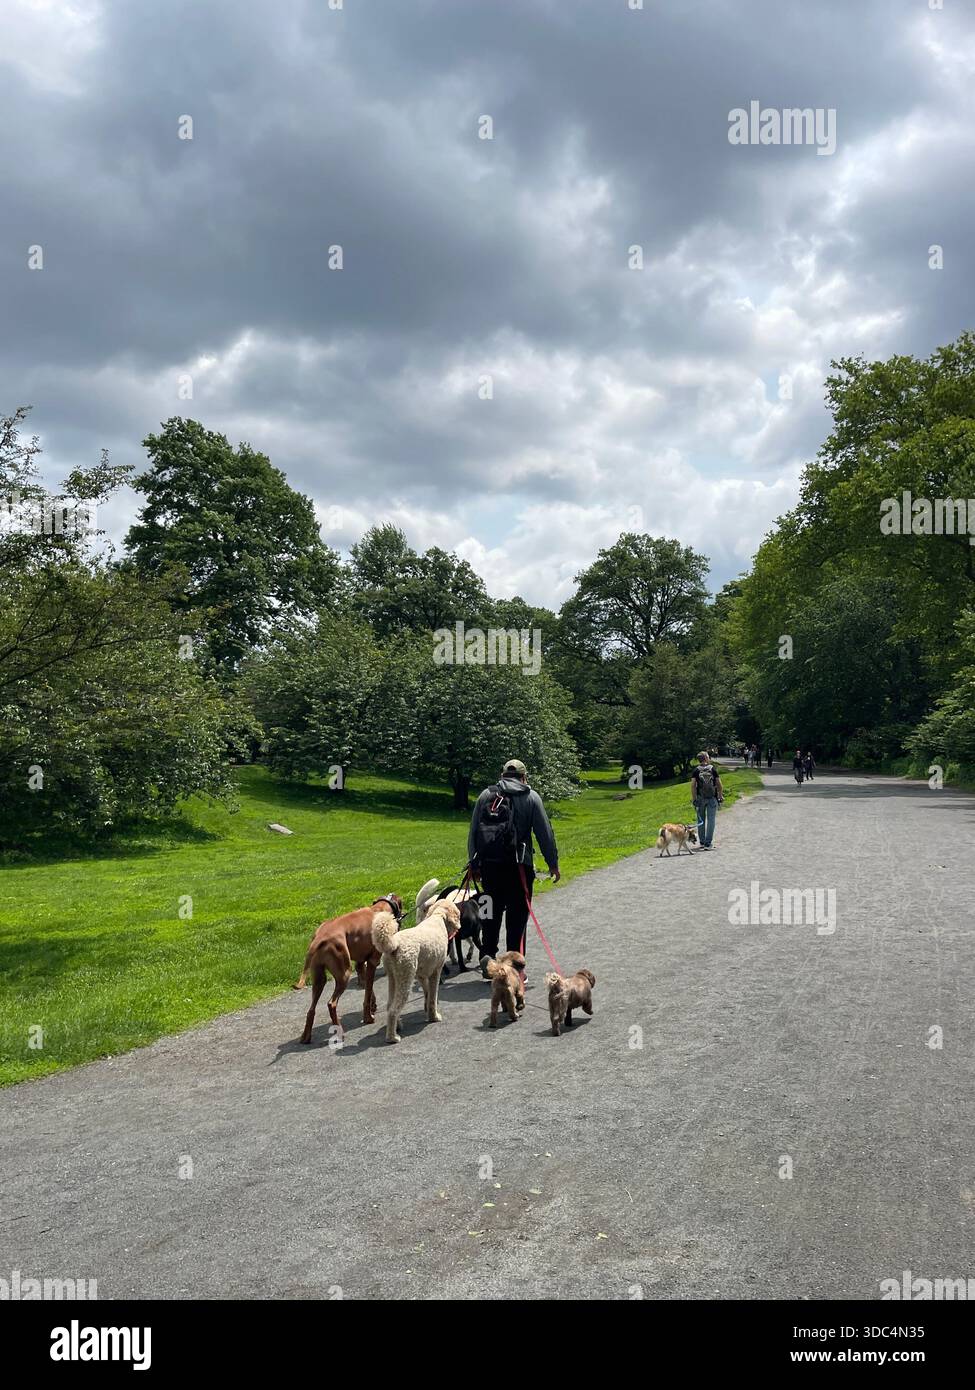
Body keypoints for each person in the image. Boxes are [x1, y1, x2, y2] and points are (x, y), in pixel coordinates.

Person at [468, 758, 560, 976]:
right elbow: (544, 833)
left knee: (489, 911)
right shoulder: (531, 797)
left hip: (490, 868)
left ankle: (487, 955)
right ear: (524, 776)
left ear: (502, 775)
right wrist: (552, 864)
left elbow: (473, 832)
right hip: (519, 868)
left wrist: (474, 863)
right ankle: (514, 968)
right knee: (517, 918)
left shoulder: (486, 795)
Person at [690, 751, 724, 850]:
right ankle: (708, 844)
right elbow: (719, 784)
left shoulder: (696, 770)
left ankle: (702, 842)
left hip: (700, 798)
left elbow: (693, 786)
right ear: (706, 758)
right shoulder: (713, 769)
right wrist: (720, 796)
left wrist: (694, 799)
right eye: (708, 756)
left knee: (701, 820)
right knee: (711, 820)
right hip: (712, 798)